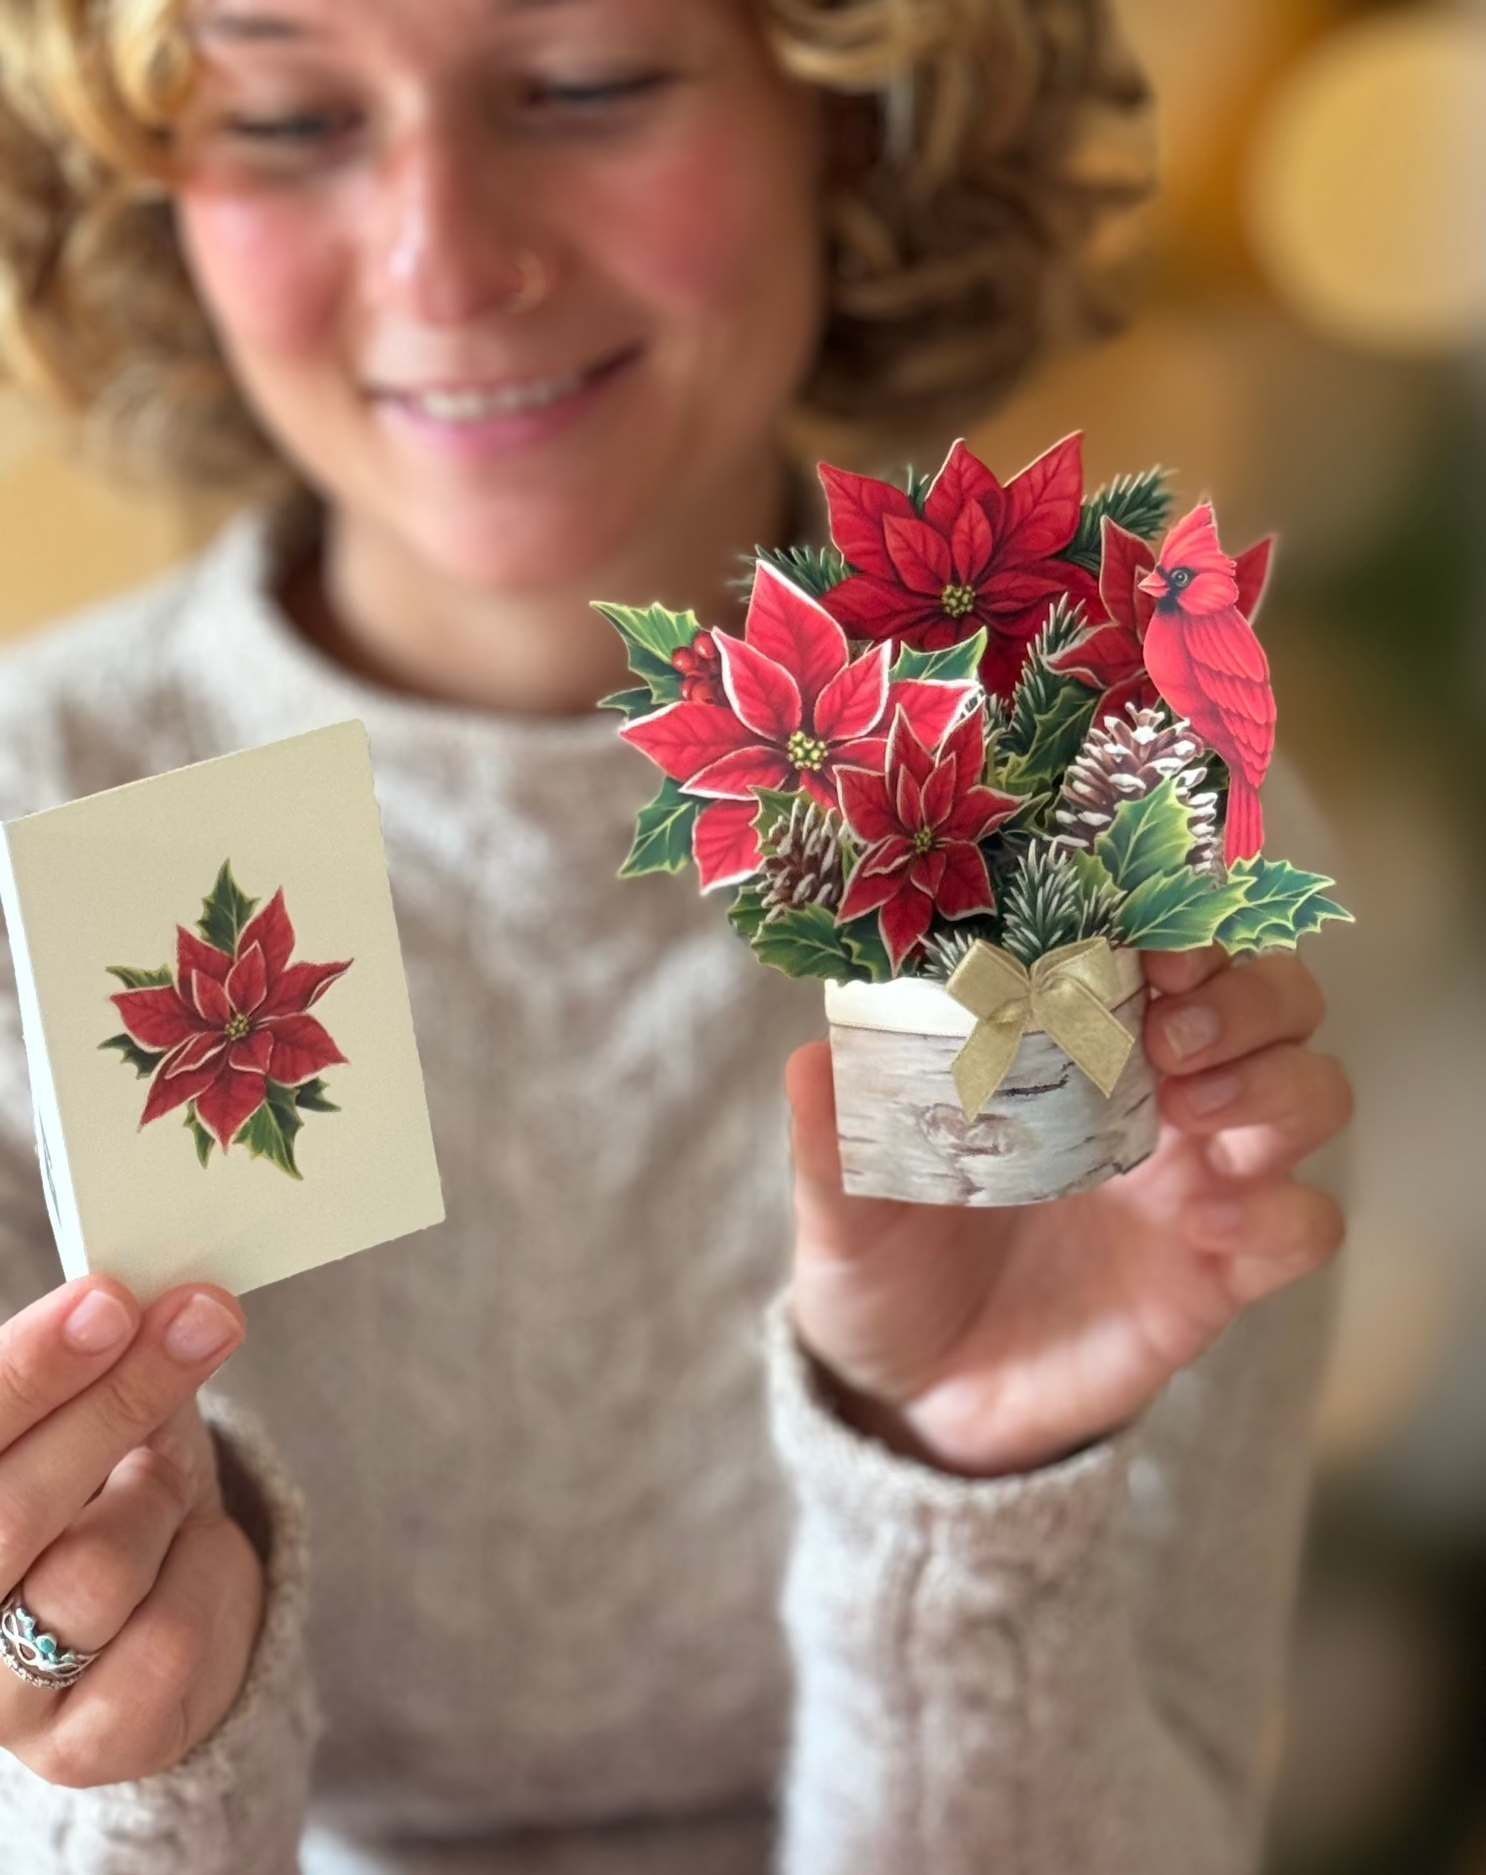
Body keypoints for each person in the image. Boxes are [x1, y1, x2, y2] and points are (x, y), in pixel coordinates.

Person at [0, 1, 1353, 1870]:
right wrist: (126, 1747)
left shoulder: (1096, 810)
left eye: (587, 83)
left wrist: (965, 1485)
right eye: (294, 119)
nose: (447, 261)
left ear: (854, 119)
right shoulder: (29, 823)